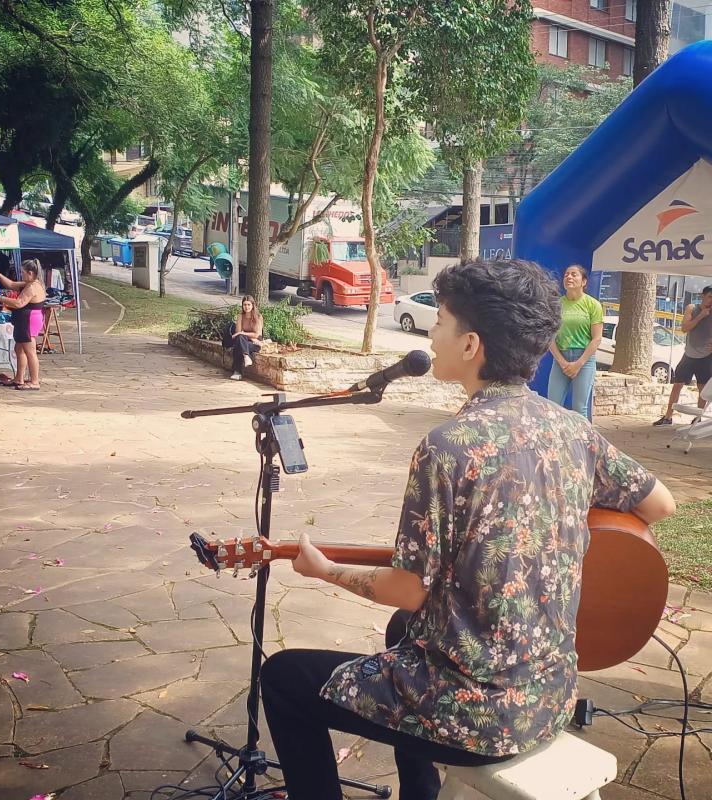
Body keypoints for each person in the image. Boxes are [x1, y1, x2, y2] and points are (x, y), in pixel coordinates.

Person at [260, 259, 676, 800]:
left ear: (471, 344)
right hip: (551, 696)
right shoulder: (574, 431)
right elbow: (660, 504)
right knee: (402, 631)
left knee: (284, 679)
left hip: (482, 720)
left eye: (441, 322)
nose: (431, 335)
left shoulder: (446, 448)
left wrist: (325, 570)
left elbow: (408, 588)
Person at [547, 264, 603, 419]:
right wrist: (562, 362)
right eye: (566, 275)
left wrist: (579, 363)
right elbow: (550, 337)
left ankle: (584, 436)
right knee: (553, 405)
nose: (569, 277)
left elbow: (597, 338)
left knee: (579, 408)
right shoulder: (556, 305)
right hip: (560, 359)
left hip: (584, 359)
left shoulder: (593, 305)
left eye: (574, 274)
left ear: (584, 282)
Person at [653, 285, 712, 425]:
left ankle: (697, 418)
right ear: (702, 296)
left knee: (702, 388)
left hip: (705, 356)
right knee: (677, 384)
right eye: (710, 297)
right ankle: (668, 417)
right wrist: (701, 316)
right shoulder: (692, 308)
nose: (711, 300)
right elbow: (685, 328)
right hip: (689, 355)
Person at [0, 259, 46, 390]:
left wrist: (0, 298)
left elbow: (19, 303)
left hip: (28, 321)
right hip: (24, 320)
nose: (21, 275)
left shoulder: (32, 287)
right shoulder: (30, 283)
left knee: (30, 351)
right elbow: (12, 284)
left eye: (23, 272)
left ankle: (34, 381)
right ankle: (19, 378)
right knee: (19, 349)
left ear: (30, 273)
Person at [230, 295, 262, 381]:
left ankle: (237, 372)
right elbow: (238, 332)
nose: (246, 307)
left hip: (255, 342)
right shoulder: (240, 316)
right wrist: (243, 334)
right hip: (244, 340)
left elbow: (256, 335)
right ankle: (246, 356)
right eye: (244, 305)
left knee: (239, 345)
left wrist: (243, 333)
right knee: (240, 340)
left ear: (252, 305)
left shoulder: (258, 317)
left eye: (248, 305)